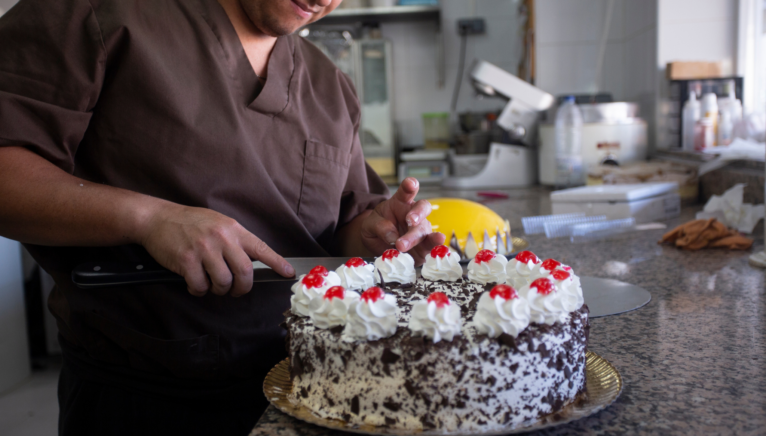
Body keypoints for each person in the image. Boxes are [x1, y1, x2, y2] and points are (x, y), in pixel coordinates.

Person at [0, 0, 445, 434]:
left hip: (310, 386)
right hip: (147, 398)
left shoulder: (329, 86)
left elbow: (337, 230)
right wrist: (148, 218)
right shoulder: (97, 13)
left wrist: (374, 232)